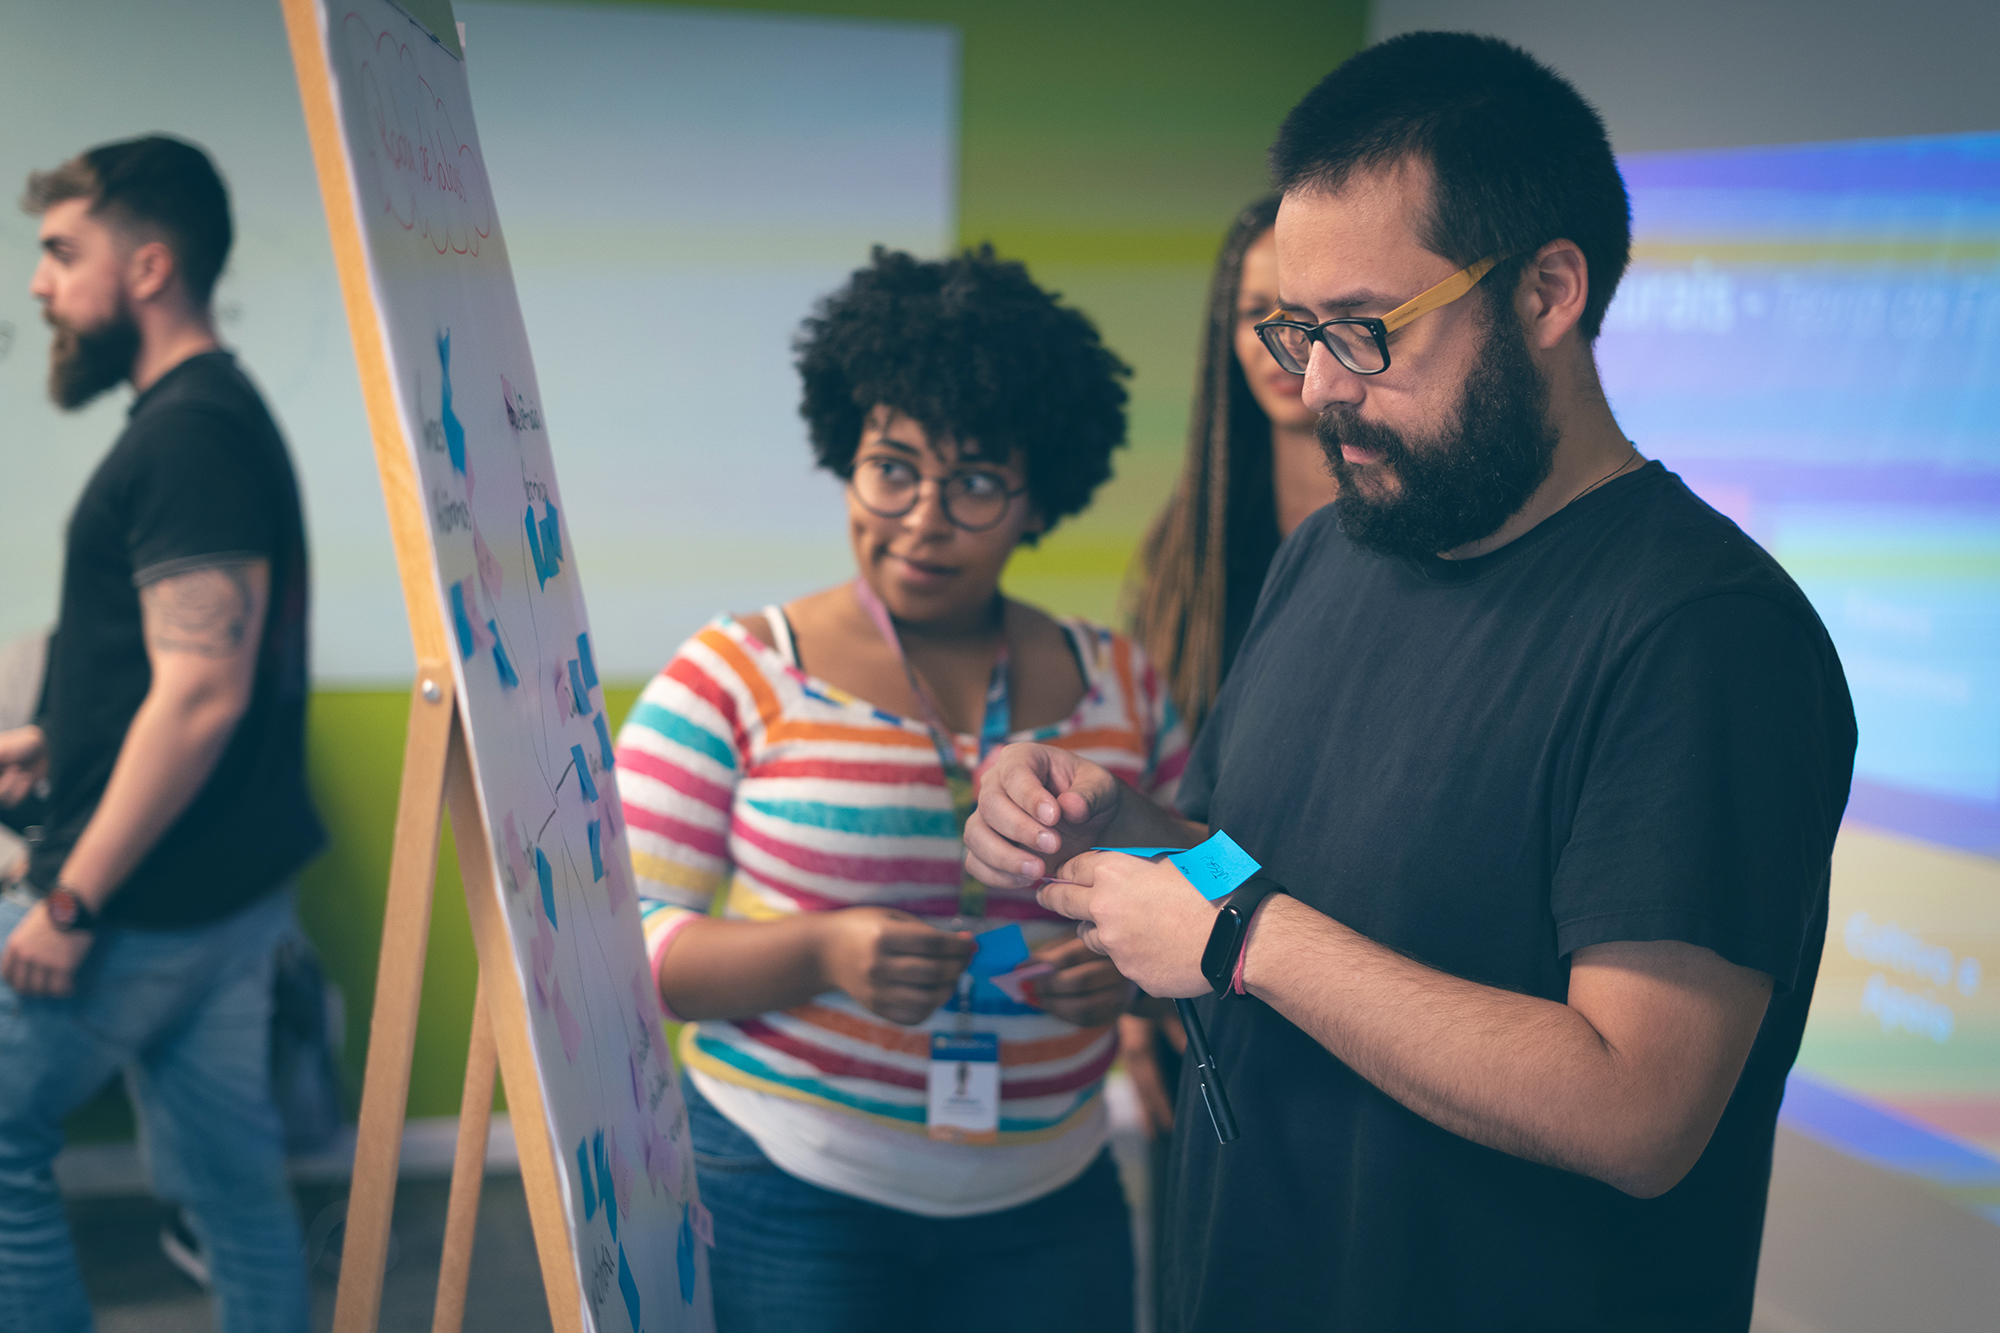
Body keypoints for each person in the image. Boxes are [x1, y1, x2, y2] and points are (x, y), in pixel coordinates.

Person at [966, 33, 1856, 1333]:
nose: (1317, 385)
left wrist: (1239, 942)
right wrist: (1136, 834)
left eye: (1362, 332)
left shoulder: (1703, 636)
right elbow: (1242, 866)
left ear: (1549, 294)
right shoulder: (1337, 548)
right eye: (1293, 330)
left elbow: (1637, 1107)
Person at [615, 246, 1184, 1333]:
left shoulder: (1122, 680)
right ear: (848, 456)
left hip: (1052, 1194)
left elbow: (1207, 890)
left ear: (1036, 497)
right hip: (787, 1188)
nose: (922, 517)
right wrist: (822, 952)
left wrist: (1127, 980)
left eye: (973, 482)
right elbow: (611, 951)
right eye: (891, 467)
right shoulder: (732, 674)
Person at [0, 136, 322, 1333]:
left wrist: (69, 900)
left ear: (146, 266)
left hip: (137, 907)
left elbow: (200, 692)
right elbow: (170, 668)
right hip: (225, 896)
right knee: (235, 1188)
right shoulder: (215, 415)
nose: (39, 284)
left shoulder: (186, 436)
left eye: (60, 252)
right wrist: (59, 734)